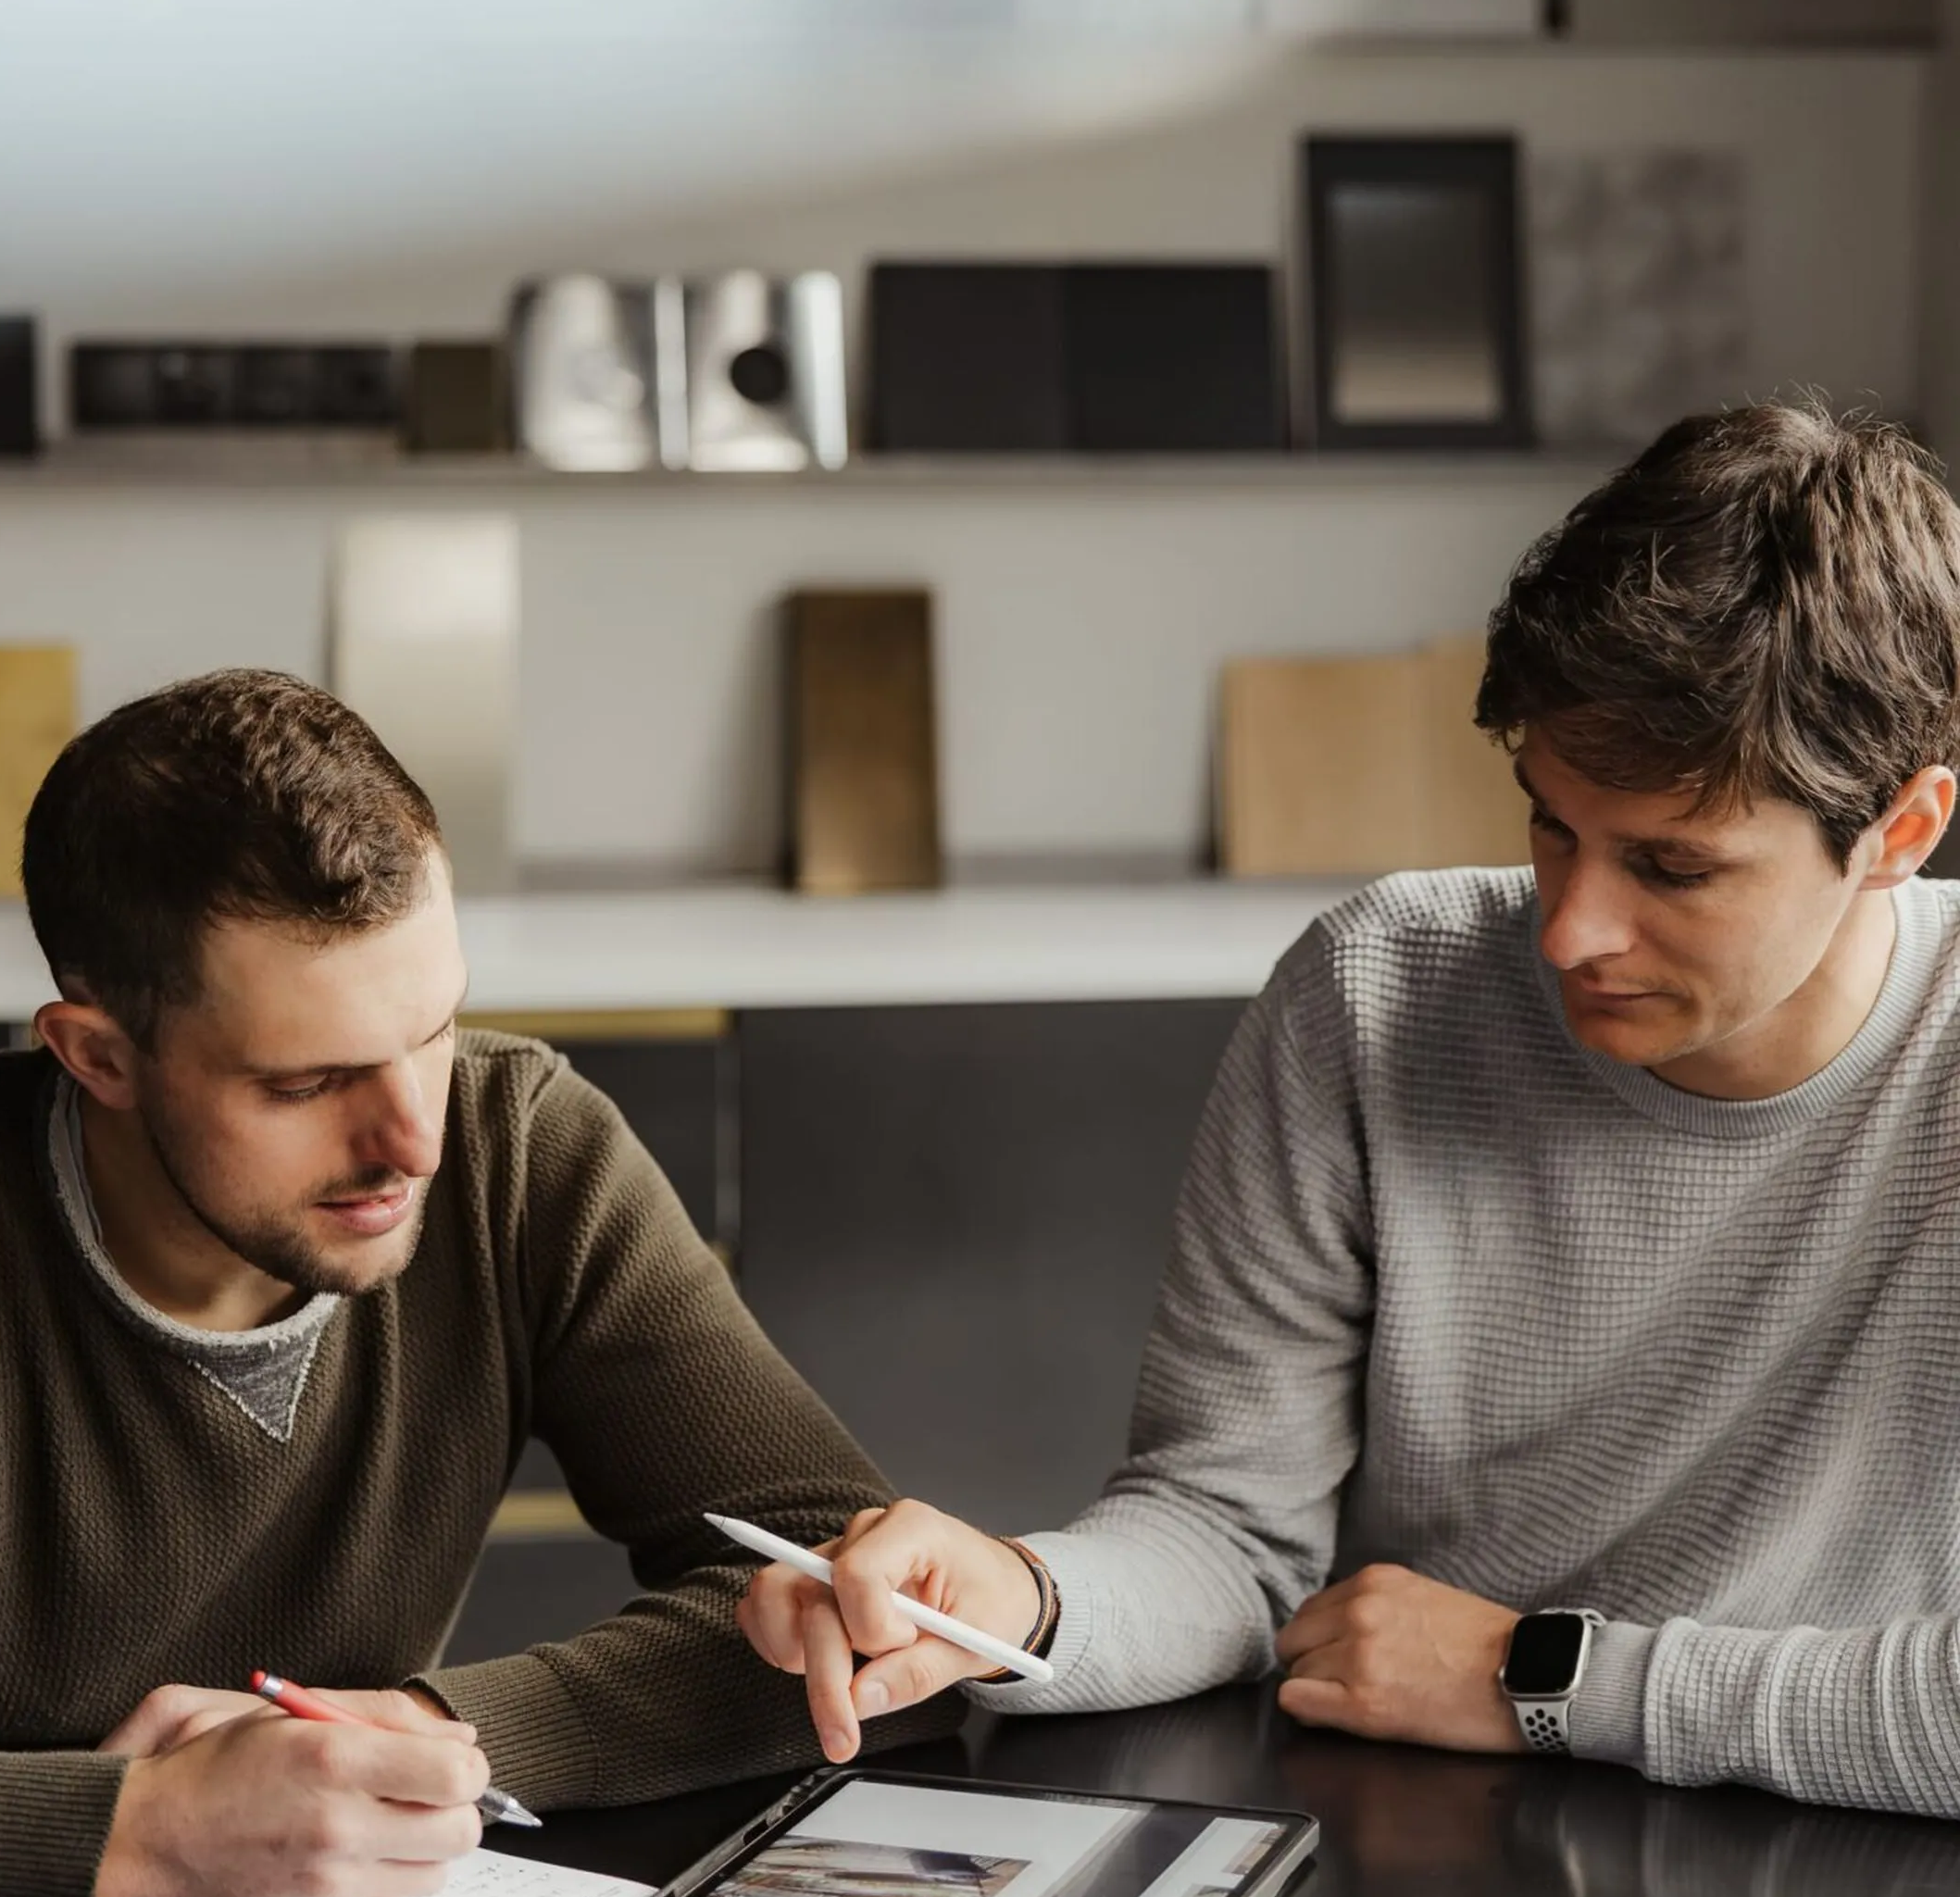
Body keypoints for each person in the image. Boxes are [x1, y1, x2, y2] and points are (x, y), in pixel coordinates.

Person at [742, 401, 1960, 1821]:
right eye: (1548, 822)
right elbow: (1226, 1534)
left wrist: (1543, 1679)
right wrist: (1016, 1598)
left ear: (1900, 833)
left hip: (1858, 1857)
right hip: (1431, 1832)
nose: (1571, 930)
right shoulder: (1374, 988)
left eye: (1672, 869)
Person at [0, 668, 943, 1897]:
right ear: (99, 1057)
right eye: (307, 1084)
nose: (415, 1140)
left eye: (434, 1031)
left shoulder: (522, 1152)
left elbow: (849, 1607)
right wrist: (134, 1833)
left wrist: (428, 1737)